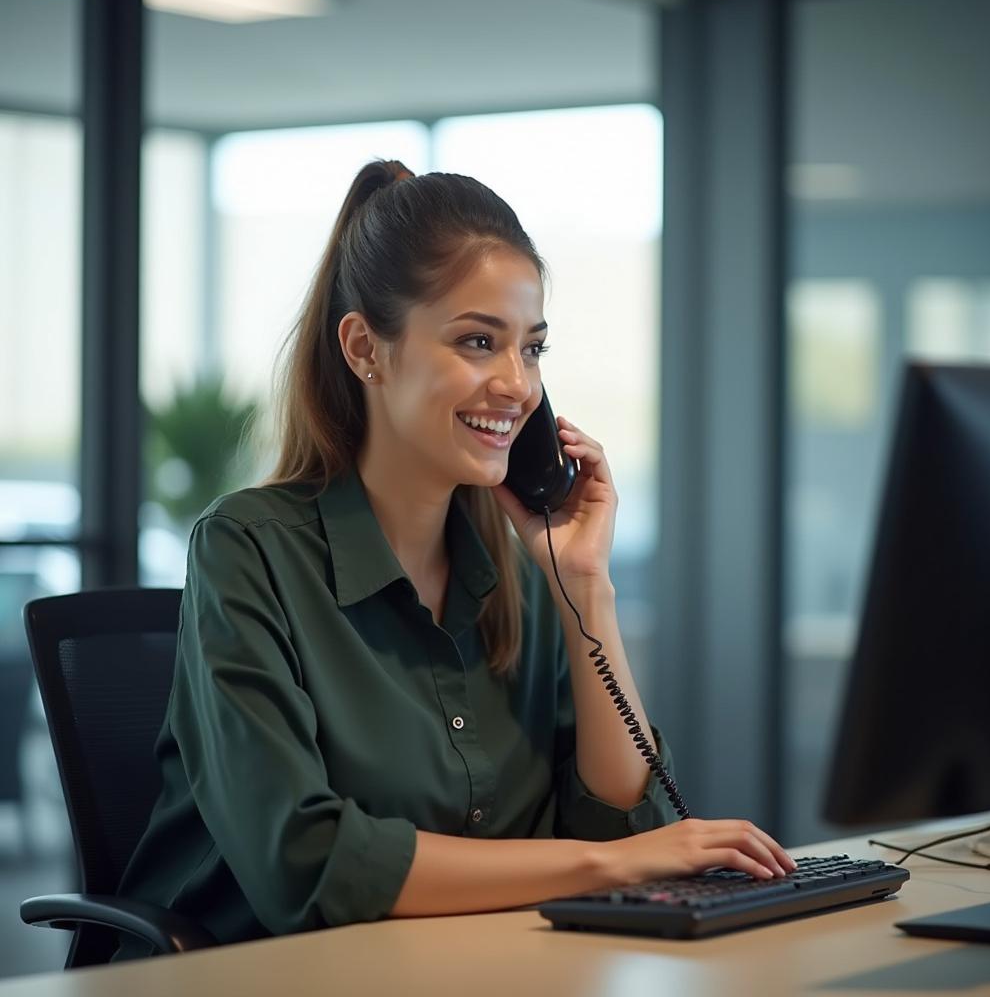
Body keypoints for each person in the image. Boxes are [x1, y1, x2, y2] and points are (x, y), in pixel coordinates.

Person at [115, 159, 795, 956]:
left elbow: (624, 816)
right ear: (366, 348)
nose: (518, 386)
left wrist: (586, 585)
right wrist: (603, 862)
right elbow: (306, 863)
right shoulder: (250, 550)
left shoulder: (518, 572)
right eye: (479, 342)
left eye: (532, 349)